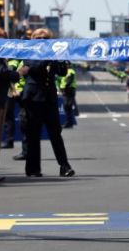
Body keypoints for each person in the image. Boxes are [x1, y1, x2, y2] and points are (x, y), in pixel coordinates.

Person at [19, 28, 76, 178]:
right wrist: (48, 56)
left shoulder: (52, 54)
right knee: (33, 135)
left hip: (49, 98)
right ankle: (32, 168)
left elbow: (62, 72)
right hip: (33, 98)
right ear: (34, 39)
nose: (42, 41)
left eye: (45, 39)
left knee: (55, 133)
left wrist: (61, 60)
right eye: (39, 38)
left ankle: (64, 166)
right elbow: (34, 67)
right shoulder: (29, 51)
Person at [0, 28, 20, 182]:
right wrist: (20, 73)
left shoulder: (1, 55)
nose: (1, 40)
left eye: (3, 38)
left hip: (1, 99)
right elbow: (3, 72)